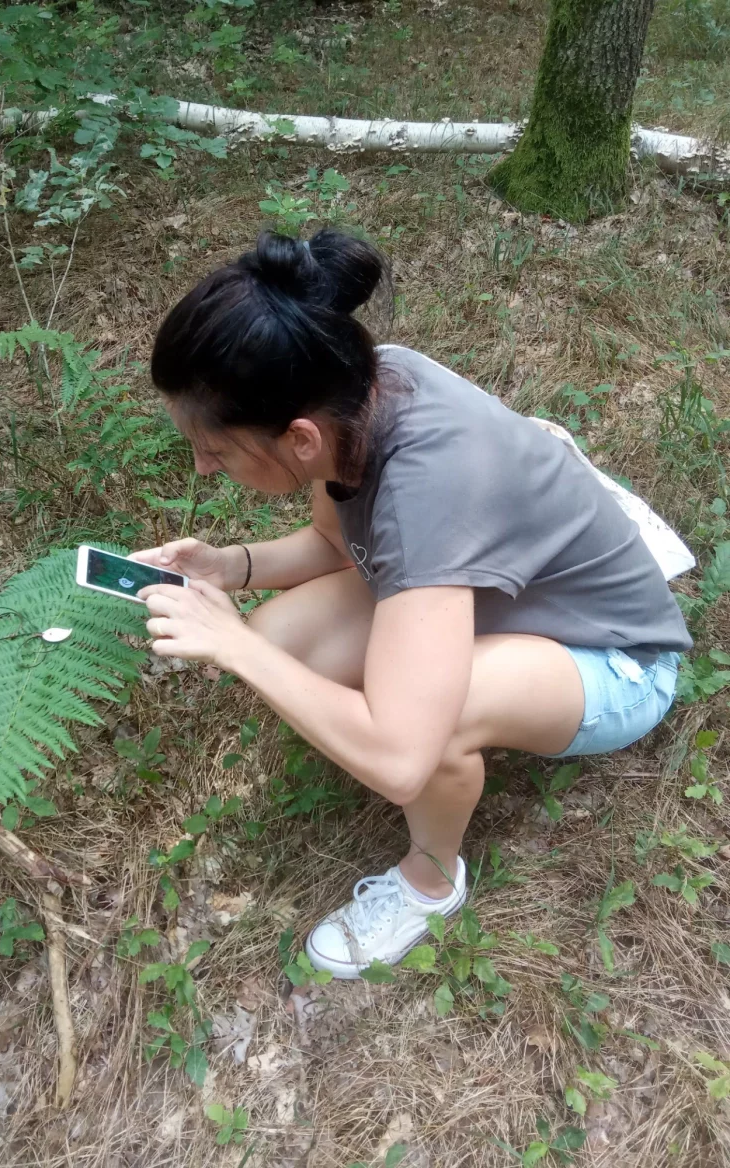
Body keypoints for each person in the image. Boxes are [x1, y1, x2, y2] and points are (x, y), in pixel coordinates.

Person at [131, 228, 692, 980]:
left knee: (430, 724)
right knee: (286, 640)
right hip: (502, 591)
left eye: (217, 449)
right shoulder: (356, 387)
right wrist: (229, 568)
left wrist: (235, 645)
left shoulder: (427, 494)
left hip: (619, 658)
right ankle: (408, 686)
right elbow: (336, 548)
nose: (203, 466)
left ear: (297, 439)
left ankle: (430, 885)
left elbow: (399, 763)